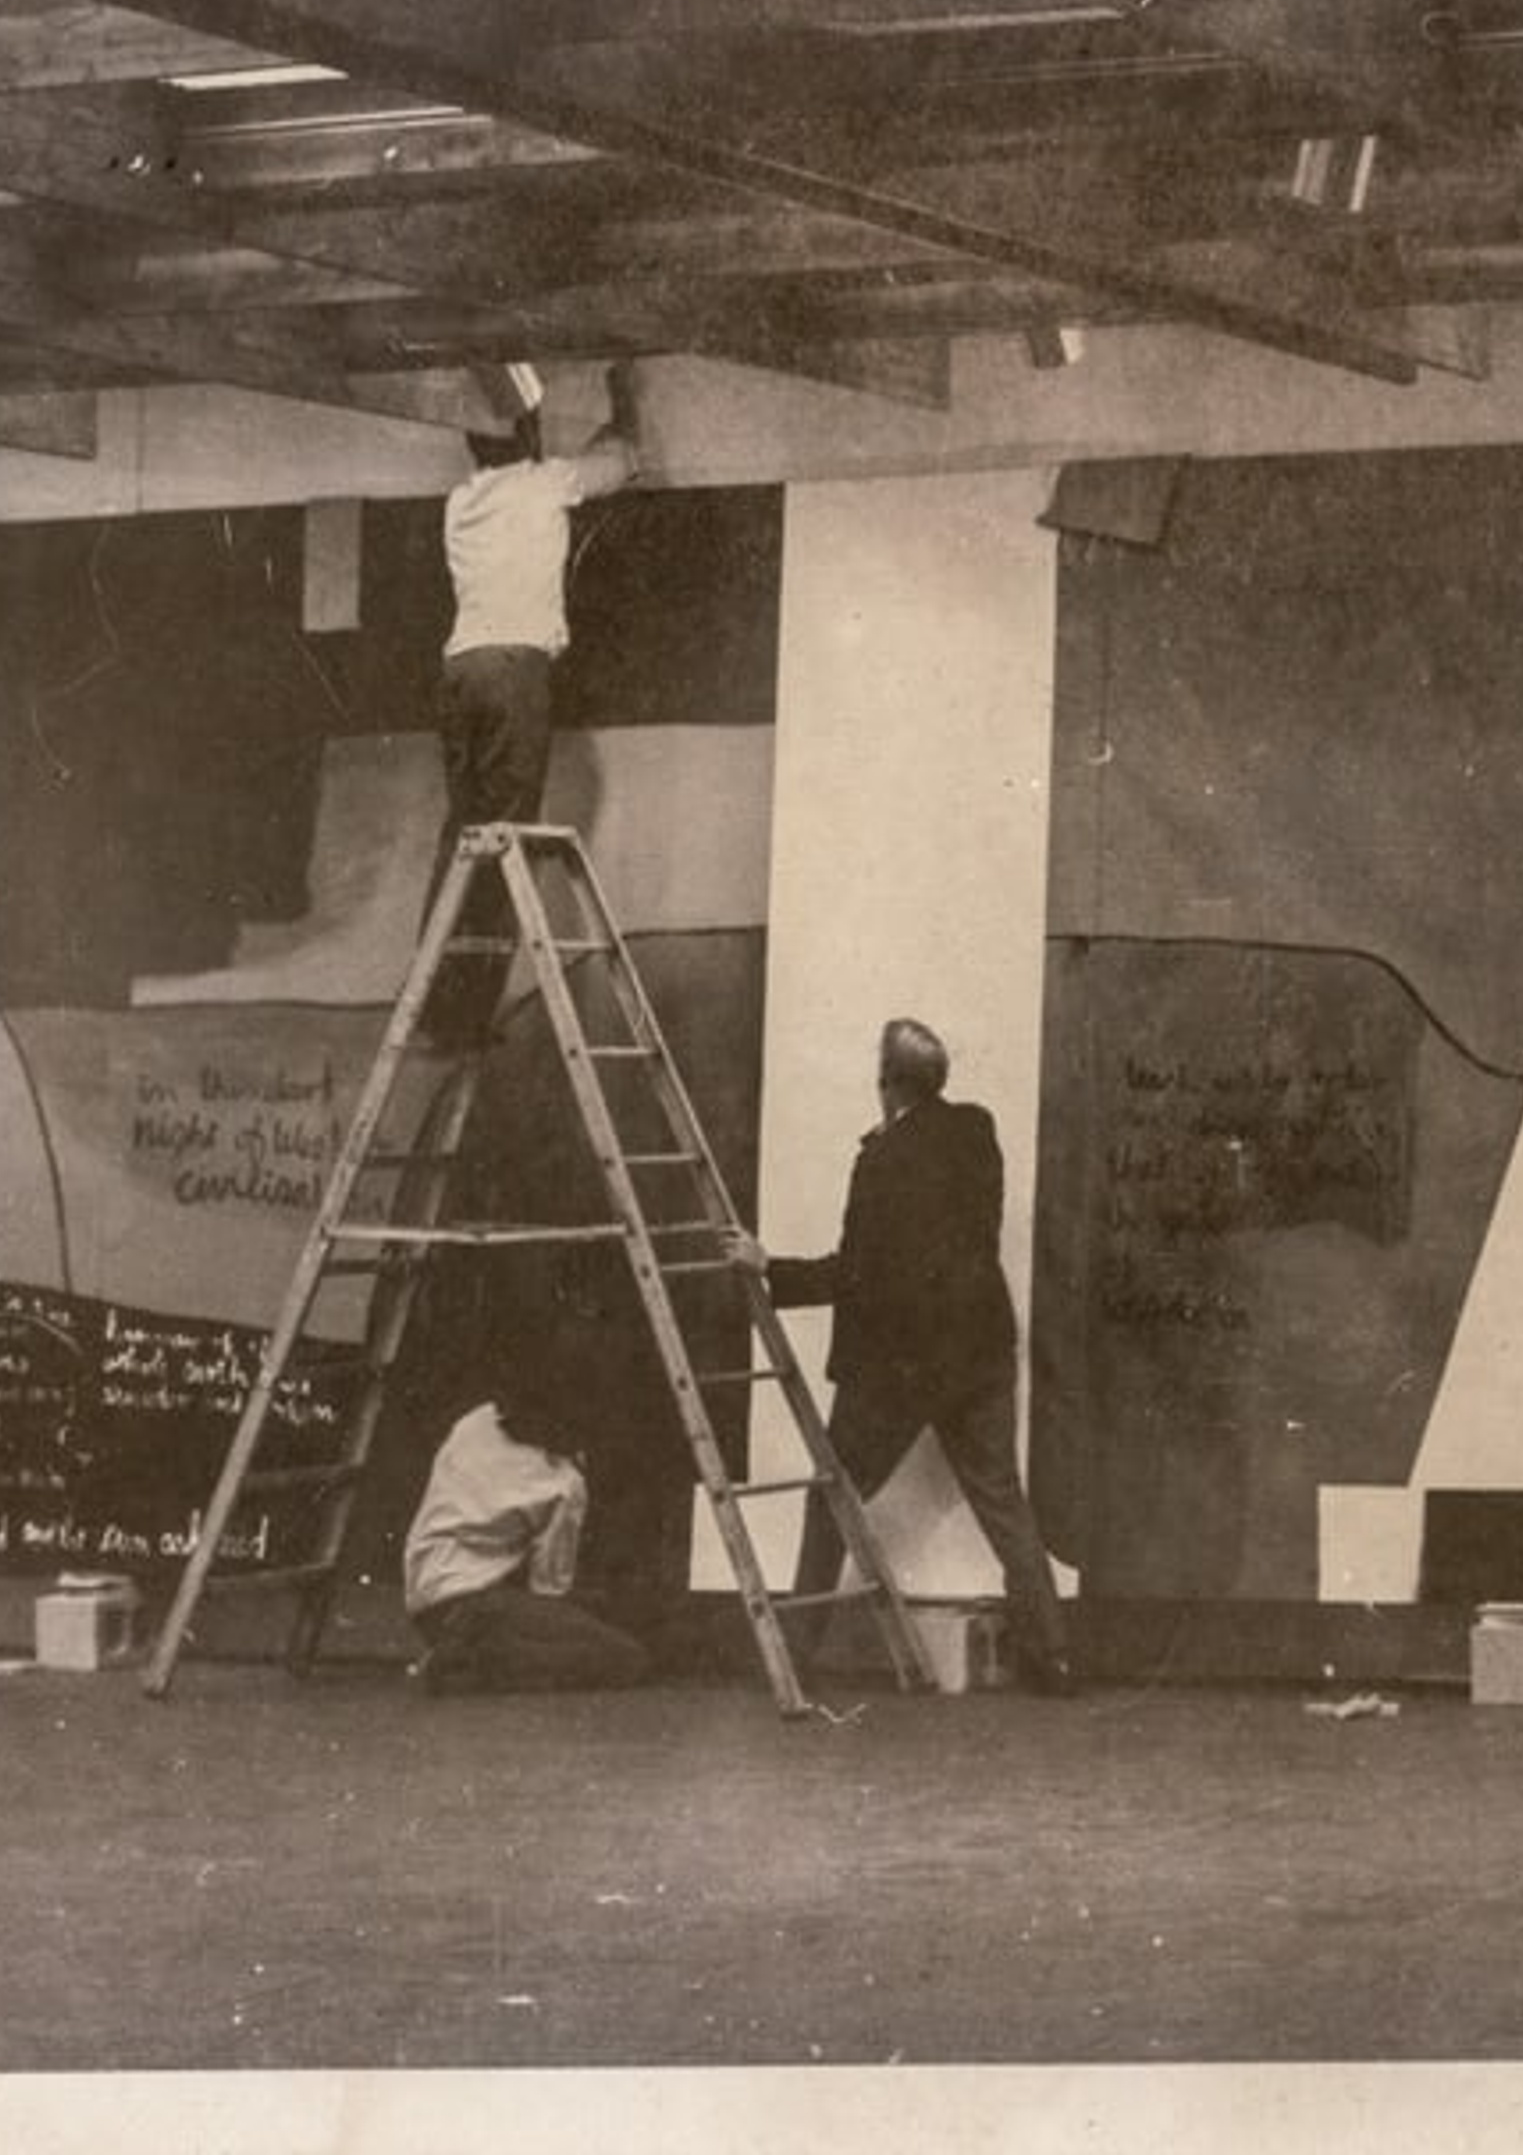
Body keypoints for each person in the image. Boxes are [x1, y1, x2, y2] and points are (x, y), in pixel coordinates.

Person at [728, 1019, 1074, 1696]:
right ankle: (1053, 1657)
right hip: (978, 1355)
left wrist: (770, 1267)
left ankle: (798, 1655)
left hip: (900, 1368)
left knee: (832, 1498)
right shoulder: (978, 1133)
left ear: (888, 1083)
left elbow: (858, 1273)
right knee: (1003, 1500)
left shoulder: (882, 1159)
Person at [419, 361, 642, 1042]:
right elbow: (623, 460)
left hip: (461, 670)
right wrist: (624, 397)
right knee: (505, 842)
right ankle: (463, 1018)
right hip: (516, 672)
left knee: (464, 834)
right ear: (529, 431)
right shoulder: (545, 486)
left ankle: (434, 1003)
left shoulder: (461, 502)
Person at [399, 1370, 651, 1696]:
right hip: (479, 1602)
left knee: (588, 1625)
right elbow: (548, 1590)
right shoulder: (564, 1484)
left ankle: (470, 1652)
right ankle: (477, 1664)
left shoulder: (475, 1423)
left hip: (427, 1601)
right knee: (627, 1658)